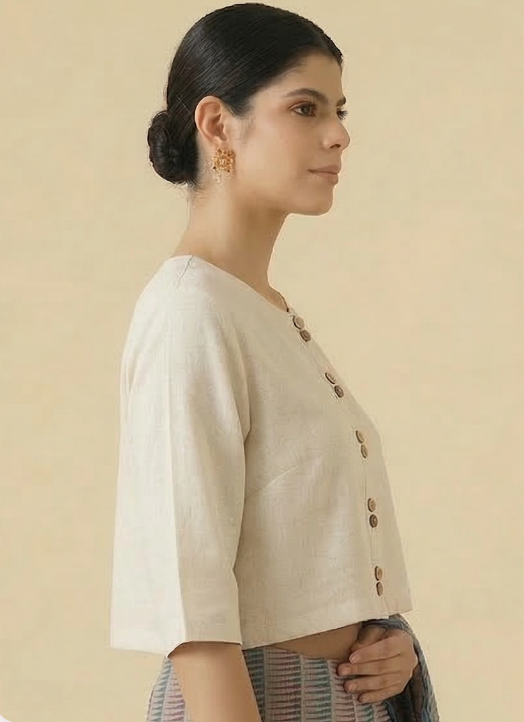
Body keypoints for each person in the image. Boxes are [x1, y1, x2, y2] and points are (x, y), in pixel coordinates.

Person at [109, 3, 440, 722]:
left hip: (341, 701)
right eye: (304, 108)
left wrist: (386, 644)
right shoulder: (191, 312)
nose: (339, 134)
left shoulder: (262, 311)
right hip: (255, 700)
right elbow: (190, 604)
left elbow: (296, 565)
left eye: (339, 110)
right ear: (218, 125)